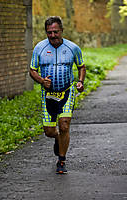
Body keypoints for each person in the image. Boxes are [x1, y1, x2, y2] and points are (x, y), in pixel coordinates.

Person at [30, 16, 86, 174]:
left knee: (64, 125)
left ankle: (61, 161)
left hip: (66, 92)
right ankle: (57, 138)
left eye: (55, 32)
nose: (52, 35)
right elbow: (32, 70)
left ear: (61, 30)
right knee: (49, 131)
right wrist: (41, 80)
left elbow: (81, 66)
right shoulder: (39, 48)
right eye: (49, 32)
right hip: (48, 95)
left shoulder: (72, 48)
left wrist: (80, 82)